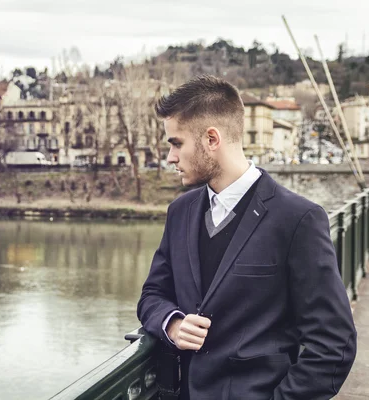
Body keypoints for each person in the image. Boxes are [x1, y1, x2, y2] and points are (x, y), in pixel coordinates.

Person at [137, 75, 357, 400]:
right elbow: (152, 294)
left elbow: (334, 344)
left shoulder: (298, 219)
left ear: (212, 139)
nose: (170, 157)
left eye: (176, 143)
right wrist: (171, 324)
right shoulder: (180, 212)